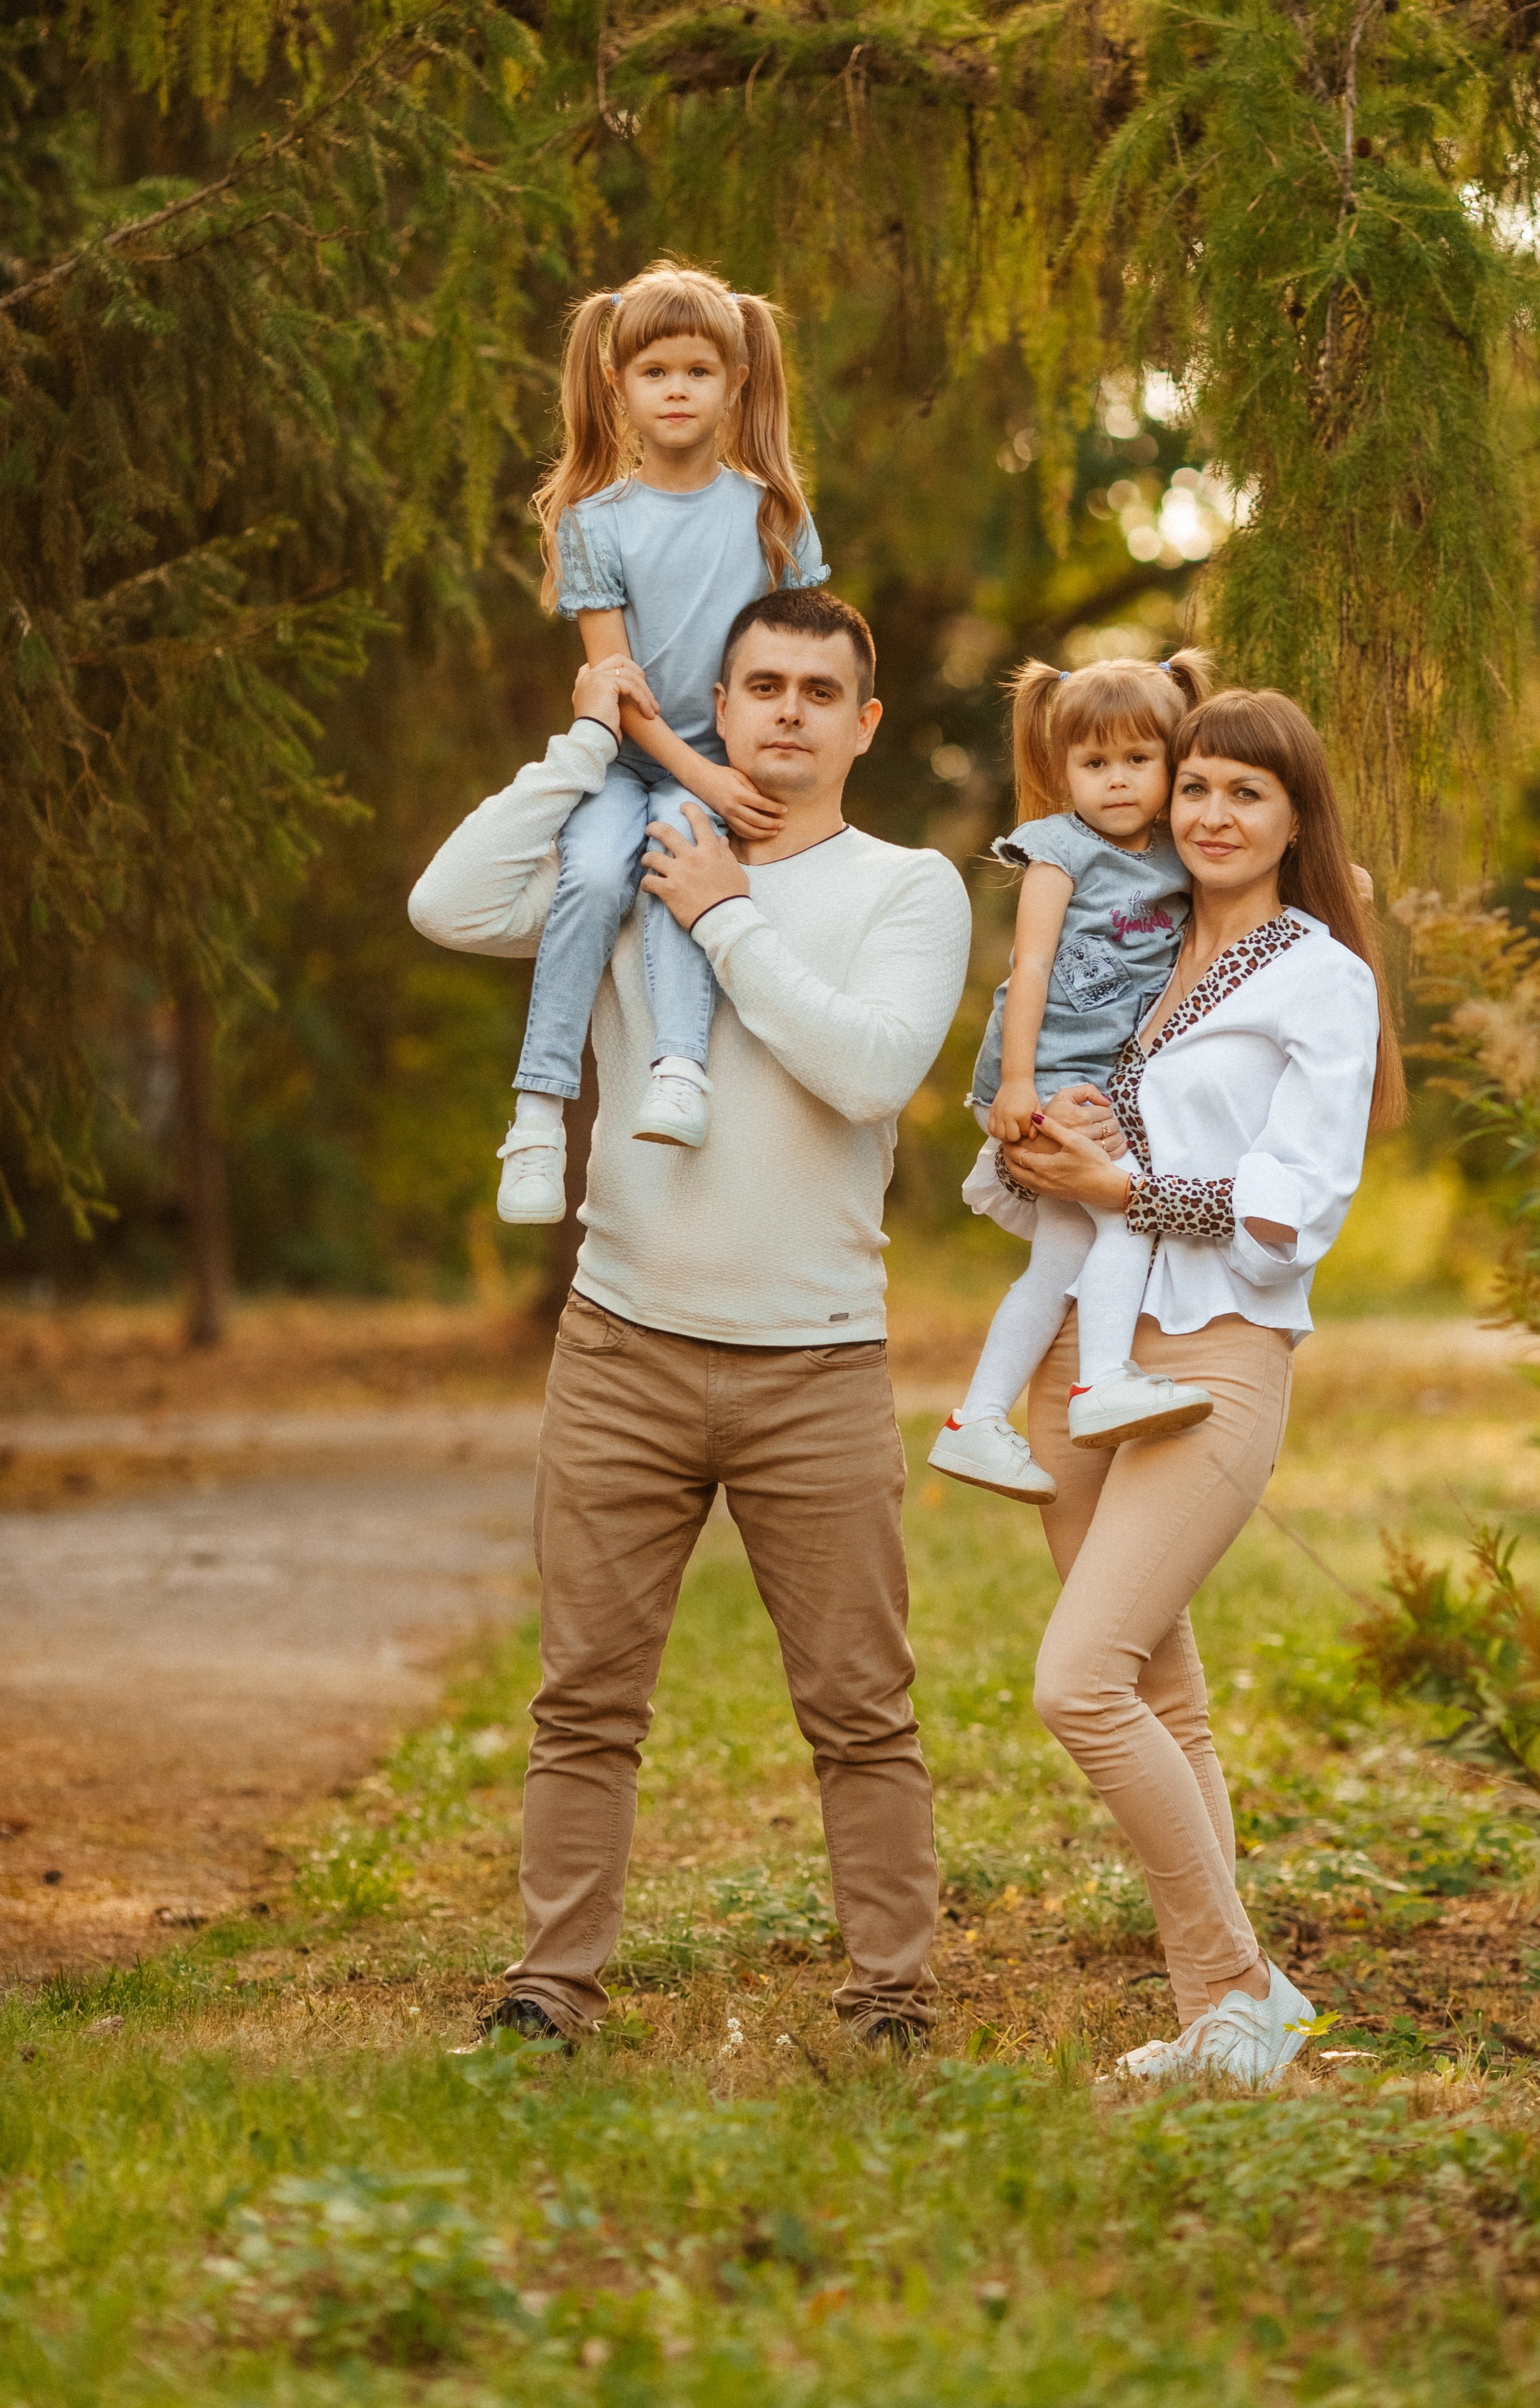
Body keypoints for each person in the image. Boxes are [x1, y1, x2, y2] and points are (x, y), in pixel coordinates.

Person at [407, 585, 973, 2050]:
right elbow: (450, 904)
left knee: (861, 1706)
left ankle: (892, 1997)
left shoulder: (904, 887)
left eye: (814, 691)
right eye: (758, 685)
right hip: (622, 1345)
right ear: (716, 706)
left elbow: (870, 1072)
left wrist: (723, 922)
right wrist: (582, 748)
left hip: (817, 1364)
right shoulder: (634, 856)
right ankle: (550, 1989)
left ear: (864, 721)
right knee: (584, 1697)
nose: (784, 712)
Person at [991, 686, 1406, 2086]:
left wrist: (1125, 1185)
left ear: (1294, 815)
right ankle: (1216, 2018)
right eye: (1195, 789)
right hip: (1081, 1357)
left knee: (1079, 1682)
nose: (1211, 815)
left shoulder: (1318, 973)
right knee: (1163, 1699)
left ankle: (1241, 1982)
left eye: (1245, 792)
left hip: (1216, 1354)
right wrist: (1048, 1149)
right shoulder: (1141, 941)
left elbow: (1298, 1204)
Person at [494, 260, 830, 1229]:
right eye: (654, 372)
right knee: (596, 876)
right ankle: (537, 1115)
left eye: (697, 370)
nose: (676, 389)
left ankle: (679, 1069)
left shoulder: (771, 511)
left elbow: (805, 655)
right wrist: (705, 777)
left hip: (721, 766)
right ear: (619, 387)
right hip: (634, 757)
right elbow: (620, 688)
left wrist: (749, 777)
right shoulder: (595, 522)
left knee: (684, 863)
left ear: (735, 383)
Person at [928, 652, 1218, 1509]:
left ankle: (976, 1421)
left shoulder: (1180, 854)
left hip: (1094, 1080)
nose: (1117, 781)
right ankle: (1103, 1382)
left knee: (1059, 1256)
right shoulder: (1058, 850)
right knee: (1128, 1212)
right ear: (1062, 771)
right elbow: (1031, 965)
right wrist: (1017, 1084)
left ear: (1173, 764)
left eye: (1138, 760)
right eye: (1094, 764)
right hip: (1042, 1072)